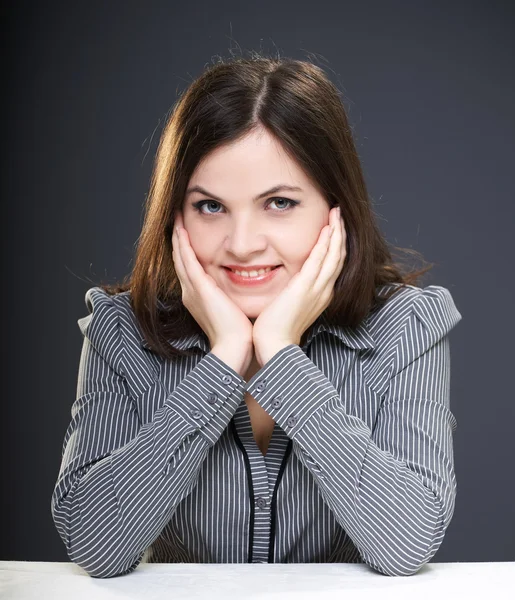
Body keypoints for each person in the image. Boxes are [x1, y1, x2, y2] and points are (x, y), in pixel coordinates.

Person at [51, 54, 463, 579]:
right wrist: (223, 360)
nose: (242, 246)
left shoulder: (407, 327)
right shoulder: (122, 331)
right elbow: (94, 544)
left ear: (335, 209)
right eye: (210, 207)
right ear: (175, 213)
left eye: (280, 203)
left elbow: (407, 542)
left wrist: (281, 355)